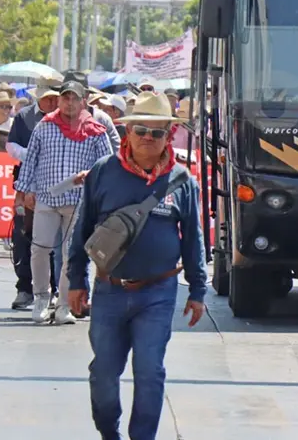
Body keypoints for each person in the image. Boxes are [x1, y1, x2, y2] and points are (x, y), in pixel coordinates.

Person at [67, 91, 207, 440]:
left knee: (150, 372)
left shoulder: (182, 181)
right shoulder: (103, 172)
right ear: (127, 132)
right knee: (104, 373)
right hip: (109, 290)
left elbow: (193, 238)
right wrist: (75, 281)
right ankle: (108, 432)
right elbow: (82, 230)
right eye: (141, 129)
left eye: (156, 132)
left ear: (169, 136)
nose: (148, 137)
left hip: (158, 293)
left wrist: (198, 290)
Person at [14, 71, 113, 325]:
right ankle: (41, 297)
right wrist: (24, 191)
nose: (69, 103)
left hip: (78, 201)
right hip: (46, 197)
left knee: (71, 254)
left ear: (83, 101)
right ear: (59, 100)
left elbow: (107, 166)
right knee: (39, 249)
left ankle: (63, 306)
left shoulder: (95, 130)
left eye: (74, 98)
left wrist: (90, 175)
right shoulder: (44, 126)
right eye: (65, 98)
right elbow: (31, 161)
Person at [6, 77, 60, 308]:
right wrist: (33, 154)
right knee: (24, 236)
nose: (52, 102)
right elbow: (11, 146)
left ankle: (55, 288)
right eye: (48, 98)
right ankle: (25, 288)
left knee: (56, 240)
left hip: (56, 185)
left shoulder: (65, 119)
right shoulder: (24, 117)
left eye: (55, 98)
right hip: (27, 184)